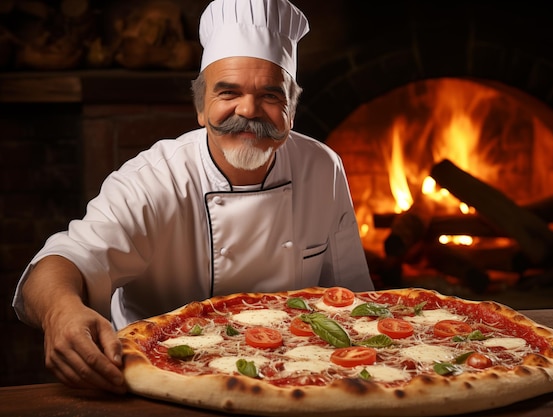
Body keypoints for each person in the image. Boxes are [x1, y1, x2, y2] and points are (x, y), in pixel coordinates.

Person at [12, 0, 374, 394]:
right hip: (161, 378)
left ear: (292, 107)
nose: (249, 110)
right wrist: (60, 312)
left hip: (298, 379)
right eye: (228, 92)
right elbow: (61, 261)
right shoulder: (154, 179)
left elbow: (352, 297)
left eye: (271, 95)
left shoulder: (322, 167)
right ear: (200, 107)